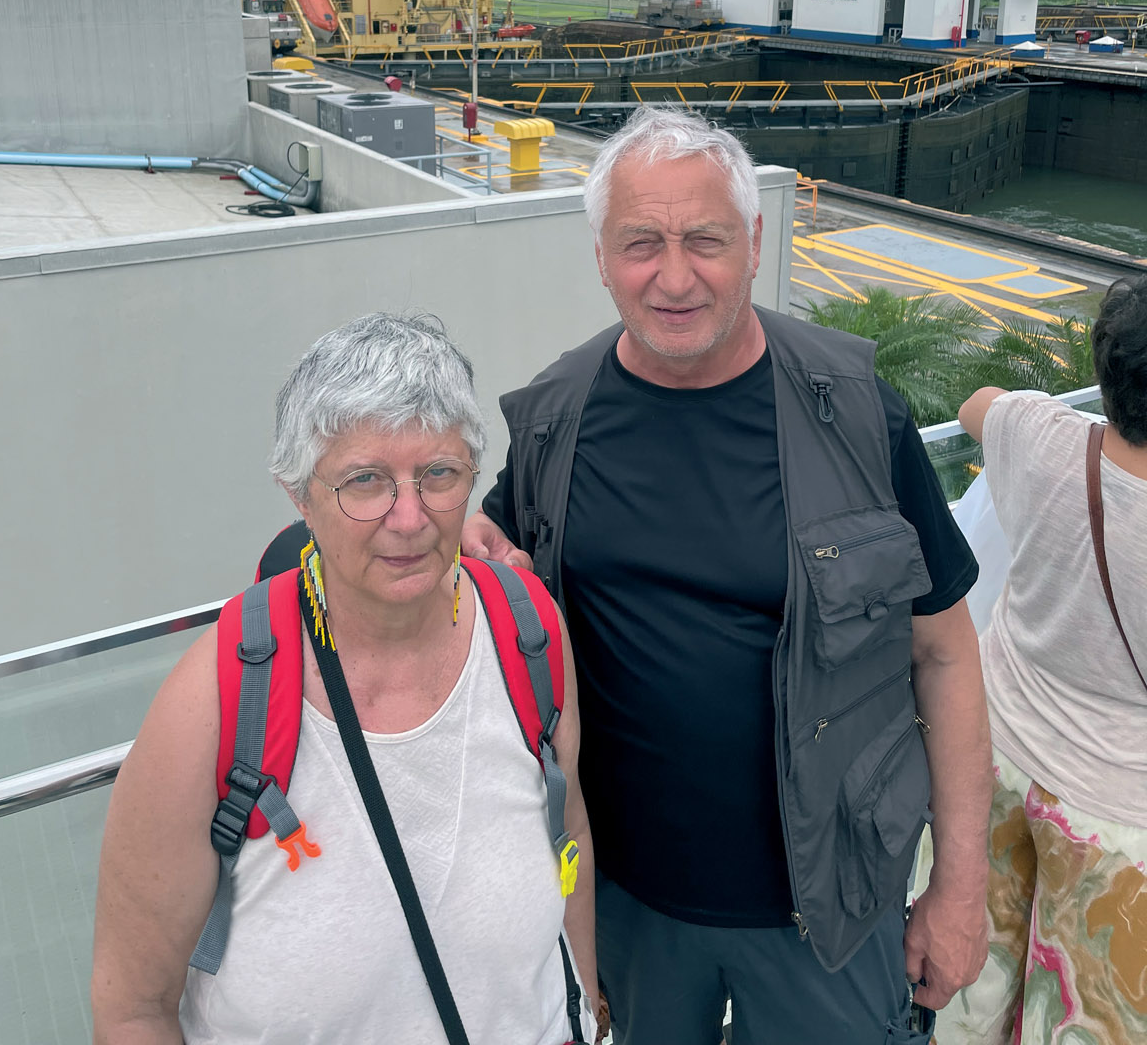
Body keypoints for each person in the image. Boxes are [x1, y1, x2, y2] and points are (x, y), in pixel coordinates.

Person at [463, 105, 991, 1044]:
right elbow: (491, 550)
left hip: (830, 906)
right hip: (629, 903)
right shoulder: (554, 419)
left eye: (704, 240)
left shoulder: (857, 415)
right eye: (641, 244)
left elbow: (944, 656)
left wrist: (960, 890)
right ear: (601, 258)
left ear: (752, 241)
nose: (674, 277)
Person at [92, 312, 598, 1044]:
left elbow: (567, 832)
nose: (409, 517)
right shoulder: (216, 702)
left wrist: (586, 1013)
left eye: (439, 473)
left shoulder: (529, 634)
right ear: (299, 495)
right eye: (365, 481)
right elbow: (133, 1007)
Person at [942, 278, 1147, 1044]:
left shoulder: (1040, 435)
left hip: (992, 756)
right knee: (1081, 1019)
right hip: (1117, 816)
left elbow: (975, 405)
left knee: (970, 983)